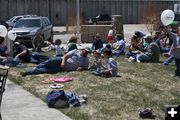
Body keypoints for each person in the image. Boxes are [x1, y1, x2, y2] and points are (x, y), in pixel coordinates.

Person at [20, 48, 90, 76]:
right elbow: (66, 56)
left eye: (87, 52)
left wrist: (82, 68)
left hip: (64, 68)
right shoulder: (76, 51)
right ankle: (37, 67)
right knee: (48, 62)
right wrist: (63, 62)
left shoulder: (86, 59)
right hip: (61, 60)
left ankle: (27, 72)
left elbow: (86, 67)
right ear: (82, 50)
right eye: (85, 51)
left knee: (46, 70)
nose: (86, 53)